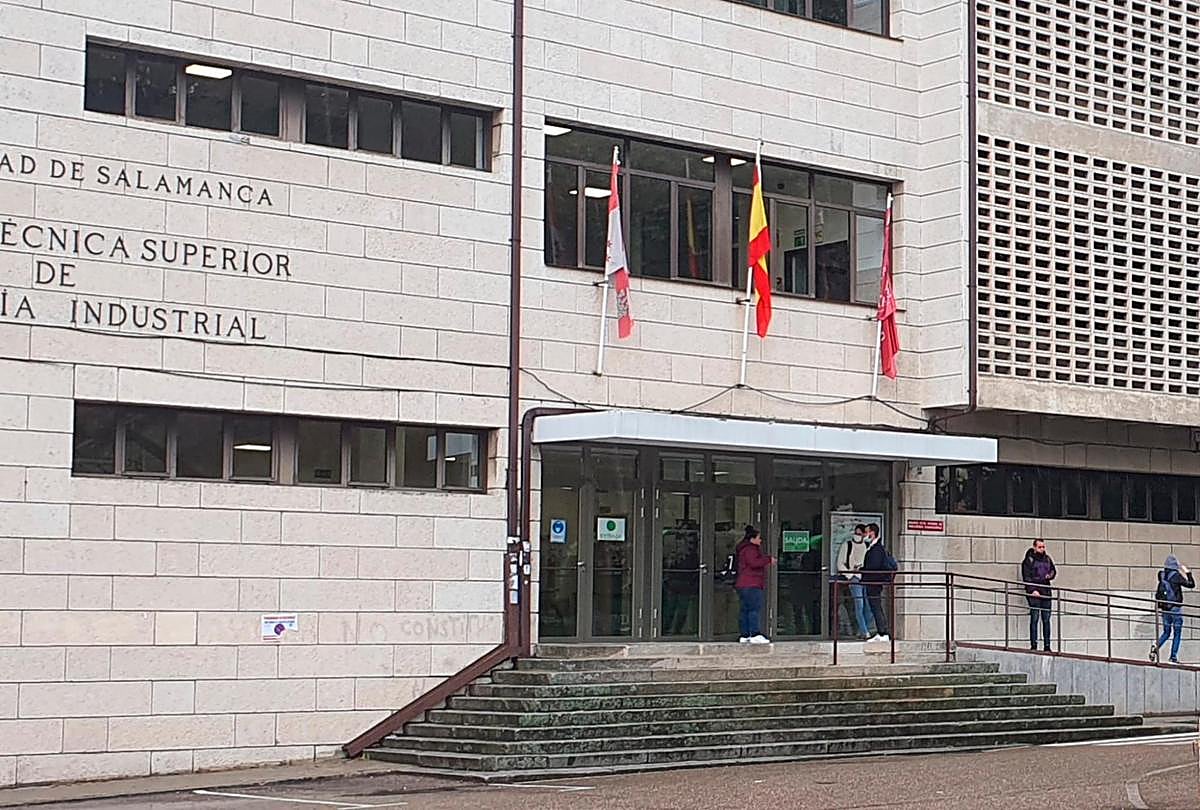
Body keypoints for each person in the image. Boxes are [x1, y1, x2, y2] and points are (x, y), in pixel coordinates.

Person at [734, 525, 775, 644]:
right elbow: (754, 562)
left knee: (745, 610)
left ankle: (745, 634)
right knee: (754, 609)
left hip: (743, 584)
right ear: (752, 539)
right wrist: (768, 560)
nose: (760, 540)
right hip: (751, 583)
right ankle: (755, 633)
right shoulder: (751, 549)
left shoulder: (743, 549)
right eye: (758, 538)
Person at [1152, 554, 1195, 665]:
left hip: (1164, 608)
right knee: (1177, 633)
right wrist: (1188, 573)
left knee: (1166, 632)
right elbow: (1191, 585)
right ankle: (1173, 657)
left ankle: (1156, 645)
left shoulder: (1162, 575)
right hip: (1175, 608)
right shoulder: (1176, 576)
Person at [860, 523, 895, 641]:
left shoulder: (877, 549)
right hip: (873, 581)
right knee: (875, 606)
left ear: (872, 533)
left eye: (866, 532)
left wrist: (862, 570)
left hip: (874, 582)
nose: (864, 535)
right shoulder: (874, 547)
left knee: (876, 606)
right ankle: (881, 632)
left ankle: (883, 632)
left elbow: (874, 566)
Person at [837, 524, 872, 639]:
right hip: (854, 578)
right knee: (859, 605)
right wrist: (850, 575)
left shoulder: (867, 546)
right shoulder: (847, 545)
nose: (857, 535)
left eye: (860, 533)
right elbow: (840, 564)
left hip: (866, 578)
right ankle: (864, 631)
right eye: (856, 533)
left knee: (869, 607)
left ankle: (861, 630)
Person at [1021, 539, 1056, 652]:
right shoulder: (1028, 560)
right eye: (1040, 547)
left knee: (1046, 619)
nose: (1042, 549)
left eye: (1043, 547)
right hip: (1034, 593)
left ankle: (1047, 645)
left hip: (1046, 591)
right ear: (1035, 547)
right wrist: (1032, 590)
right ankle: (1034, 645)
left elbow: (1053, 571)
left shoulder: (1047, 559)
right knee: (1035, 618)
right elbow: (1026, 578)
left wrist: (1049, 575)